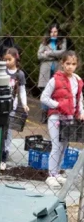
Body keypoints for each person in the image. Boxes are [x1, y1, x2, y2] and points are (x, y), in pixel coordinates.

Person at [41, 50, 84, 188]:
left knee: (64, 145)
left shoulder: (77, 80)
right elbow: (44, 97)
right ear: (62, 63)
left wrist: (81, 111)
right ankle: (51, 174)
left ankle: (57, 172)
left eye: (73, 64)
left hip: (69, 117)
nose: (70, 67)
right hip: (56, 117)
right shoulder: (55, 79)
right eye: (68, 63)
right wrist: (58, 105)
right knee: (56, 145)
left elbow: (79, 98)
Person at [4, 48, 29, 162]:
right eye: (5, 60)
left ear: (16, 59)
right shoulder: (2, 71)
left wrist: (24, 104)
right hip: (1, 104)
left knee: (8, 129)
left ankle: (6, 149)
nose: (7, 62)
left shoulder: (20, 74)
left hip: (12, 105)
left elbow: (22, 90)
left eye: (9, 59)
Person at [38, 25, 68, 121]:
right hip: (45, 69)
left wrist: (49, 53)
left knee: (56, 90)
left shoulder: (62, 41)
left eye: (55, 32)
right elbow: (39, 55)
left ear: (58, 32)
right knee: (45, 91)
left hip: (57, 68)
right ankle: (44, 114)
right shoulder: (45, 42)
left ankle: (54, 113)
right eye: (51, 32)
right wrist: (55, 55)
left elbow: (63, 53)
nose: (53, 34)